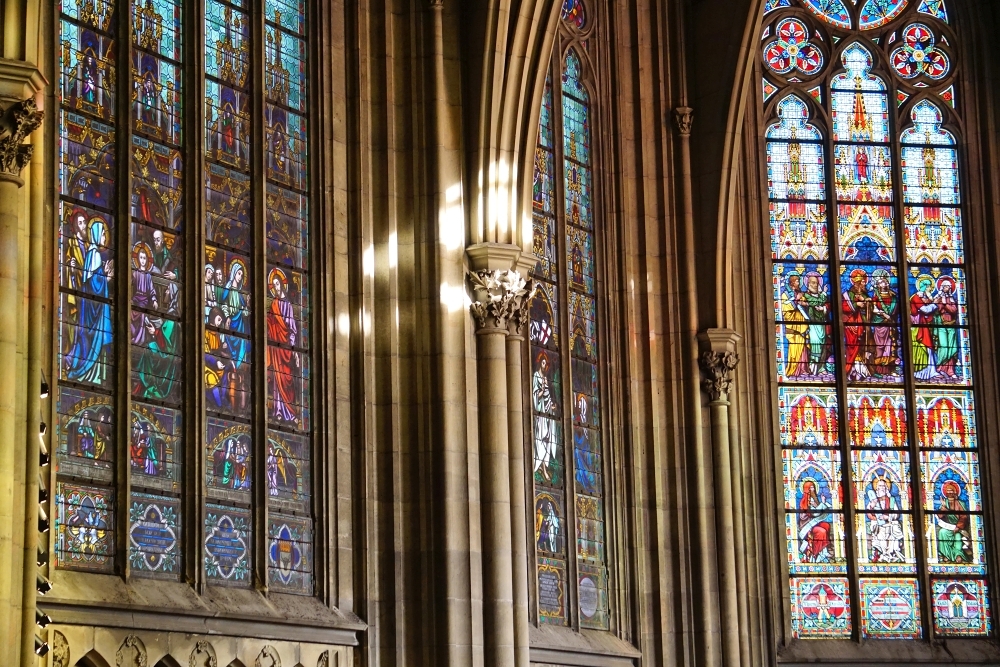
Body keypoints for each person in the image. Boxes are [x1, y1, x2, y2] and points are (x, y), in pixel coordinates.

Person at [65, 219, 114, 385]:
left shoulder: (92, 254)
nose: (103, 236)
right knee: (94, 342)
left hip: (91, 309)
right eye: (102, 233)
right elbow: (94, 285)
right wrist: (105, 277)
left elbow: (90, 282)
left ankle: (94, 375)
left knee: (93, 341)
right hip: (93, 311)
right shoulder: (94, 254)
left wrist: (103, 277)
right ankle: (90, 374)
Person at [266, 269, 300, 425]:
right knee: (277, 380)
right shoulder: (273, 304)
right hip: (276, 347)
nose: (277, 287)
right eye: (274, 285)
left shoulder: (288, 305)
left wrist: (293, 348)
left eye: (278, 284)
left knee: (287, 379)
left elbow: (292, 327)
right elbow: (270, 322)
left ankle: (290, 413)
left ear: (282, 285)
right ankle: (278, 411)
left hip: (286, 347)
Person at [865, 472, 906, 563]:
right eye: (879, 486)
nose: (881, 488)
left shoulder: (891, 500)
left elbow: (897, 514)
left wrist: (887, 517)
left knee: (894, 529)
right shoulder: (874, 500)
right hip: (878, 524)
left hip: (890, 523)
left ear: (886, 488)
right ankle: (883, 554)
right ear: (877, 488)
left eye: (883, 486)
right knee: (881, 532)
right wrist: (872, 509)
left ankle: (891, 554)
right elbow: (869, 514)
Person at [842, 268, 873, 381]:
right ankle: (851, 369)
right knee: (852, 346)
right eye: (862, 283)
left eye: (864, 282)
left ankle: (862, 370)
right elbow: (843, 307)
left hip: (863, 325)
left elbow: (870, 309)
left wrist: (867, 303)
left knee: (864, 345)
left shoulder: (865, 295)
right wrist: (856, 304)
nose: (864, 285)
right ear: (857, 283)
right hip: (851, 325)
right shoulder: (847, 295)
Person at [532, 354, 557, 481]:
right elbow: (536, 396)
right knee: (540, 438)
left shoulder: (546, 378)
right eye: (542, 363)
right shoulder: (536, 376)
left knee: (546, 439)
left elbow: (548, 396)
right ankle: (541, 466)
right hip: (540, 413)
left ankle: (544, 467)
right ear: (539, 364)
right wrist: (542, 388)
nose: (544, 366)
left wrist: (552, 406)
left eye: (545, 364)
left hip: (546, 413)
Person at [911, 275, 939, 380]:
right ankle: (921, 373)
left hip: (924, 325)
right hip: (918, 326)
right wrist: (935, 304)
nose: (930, 289)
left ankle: (931, 371)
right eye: (928, 287)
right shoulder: (916, 297)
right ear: (923, 287)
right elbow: (925, 310)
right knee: (922, 348)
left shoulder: (924, 298)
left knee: (928, 347)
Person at [870, 269, 898, 376]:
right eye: (882, 282)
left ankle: (890, 369)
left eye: (886, 281)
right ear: (878, 285)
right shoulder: (876, 297)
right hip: (880, 324)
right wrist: (883, 314)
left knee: (890, 346)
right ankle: (878, 369)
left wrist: (890, 317)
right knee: (879, 346)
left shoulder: (893, 296)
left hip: (890, 324)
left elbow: (896, 309)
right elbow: (874, 309)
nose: (884, 283)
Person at [798, 478, 832, 562]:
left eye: (813, 487)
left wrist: (822, 503)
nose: (813, 489)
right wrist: (823, 504)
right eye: (811, 488)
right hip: (806, 526)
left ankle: (824, 550)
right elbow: (815, 514)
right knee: (821, 531)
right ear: (807, 489)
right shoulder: (805, 501)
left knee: (826, 525)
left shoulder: (814, 499)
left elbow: (817, 512)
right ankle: (816, 553)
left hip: (813, 523)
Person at [802, 272, 830, 377]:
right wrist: (823, 293)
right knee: (815, 345)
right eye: (813, 283)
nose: (815, 285)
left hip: (822, 325)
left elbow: (822, 303)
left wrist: (823, 308)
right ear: (808, 284)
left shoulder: (820, 295)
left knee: (823, 345)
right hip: (812, 325)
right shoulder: (806, 295)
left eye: (817, 283)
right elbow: (815, 301)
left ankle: (821, 367)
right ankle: (813, 367)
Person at [936, 480, 970, 564]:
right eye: (947, 491)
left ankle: (958, 555)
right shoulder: (945, 503)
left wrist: (958, 526)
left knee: (957, 537)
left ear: (955, 492)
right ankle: (946, 555)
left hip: (958, 528)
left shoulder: (960, 503)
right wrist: (943, 507)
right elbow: (940, 516)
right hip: (948, 527)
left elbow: (964, 517)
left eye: (951, 491)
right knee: (942, 532)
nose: (949, 493)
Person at [781, 273, 809, 378]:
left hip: (802, 323)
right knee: (794, 347)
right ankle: (793, 370)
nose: (798, 283)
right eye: (796, 281)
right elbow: (784, 308)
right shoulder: (785, 295)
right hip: (792, 326)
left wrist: (803, 303)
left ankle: (803, 369)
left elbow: (806, 305)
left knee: (804, 347)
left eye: (798, 281)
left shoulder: (801, 294)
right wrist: (795, 301)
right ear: (792, 282)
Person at [934, 276, 959, 380]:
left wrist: (946, 305)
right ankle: (940, 368)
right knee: (943, 347)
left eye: (949, 287)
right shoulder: (938, 298)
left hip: (951, 325)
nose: (947, 288)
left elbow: (954, 310)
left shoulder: (952, 299)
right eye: (945, 287)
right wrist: (940, 302)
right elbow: (935, 310)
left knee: (952, 348)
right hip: (941, 326)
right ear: (941, 288)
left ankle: (950, 371)